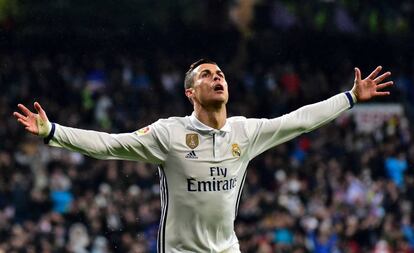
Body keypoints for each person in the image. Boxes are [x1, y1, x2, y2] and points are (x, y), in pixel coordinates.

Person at [13, 59, 393, 253]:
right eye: (207, 74)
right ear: (190, 93)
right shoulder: (169, 133)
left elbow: (299, 121)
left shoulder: (245, 131)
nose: (218, 77)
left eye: (221, 73)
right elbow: (112, 144)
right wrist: (53, 132)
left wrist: (350, 98)